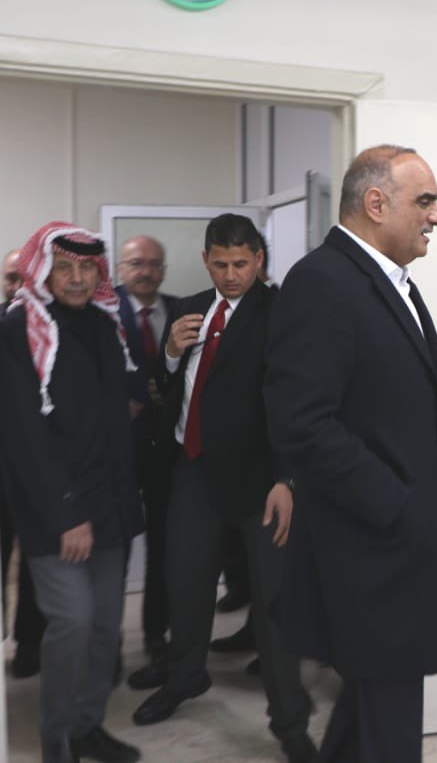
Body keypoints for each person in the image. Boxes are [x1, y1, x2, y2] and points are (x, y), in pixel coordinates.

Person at [265, 144, 437, 763]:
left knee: (373, 699)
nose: (436, 216)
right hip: (371, 542)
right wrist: (393, 501)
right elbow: (301, 423)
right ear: (376, 203)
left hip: (401, 538)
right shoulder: (323, 281)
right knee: (390, 713)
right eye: (426, 201)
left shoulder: (389, 283)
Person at [125, 215, 314, 761]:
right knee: (185, 584)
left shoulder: (282, 312)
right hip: (192, 470)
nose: (231, 275)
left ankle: (289, 720)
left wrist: (288, 477)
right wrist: (169, 353)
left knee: (274, 603)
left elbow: (297, 401)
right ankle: (185, 677)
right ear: (205, 260)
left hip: (262, 480)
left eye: (242, 264)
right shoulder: (187, 308)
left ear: (259, 261)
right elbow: (165, 386)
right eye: (221, 264)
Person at [0, 222, 145, 763]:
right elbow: (23, 436)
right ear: (43, 271)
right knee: (73, 621)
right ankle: (57, 741)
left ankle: (87, 726)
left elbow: (120, 407)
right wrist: (65, 513)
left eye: (87, 267)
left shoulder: (105, 325)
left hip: (110, 504)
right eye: (65, 268)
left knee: (105, 627)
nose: (78, 278)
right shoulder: (19, 329)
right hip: (57, 509)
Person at [114, 236, 179, 675]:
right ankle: (107, 643)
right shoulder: (102, 312)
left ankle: (157, 635)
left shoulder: (180, 310)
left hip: (165, 450)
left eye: (154, 264)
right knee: (114, 551)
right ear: (121, 267)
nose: (146, 271)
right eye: (137, 263)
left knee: (163, 548)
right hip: (116, 452)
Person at [1, 246, 49, 680]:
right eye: (9, 278)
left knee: (37, 562)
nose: (16, 287)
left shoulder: (51, 330)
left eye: (23, 278)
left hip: (37, 468)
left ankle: (29, 644)